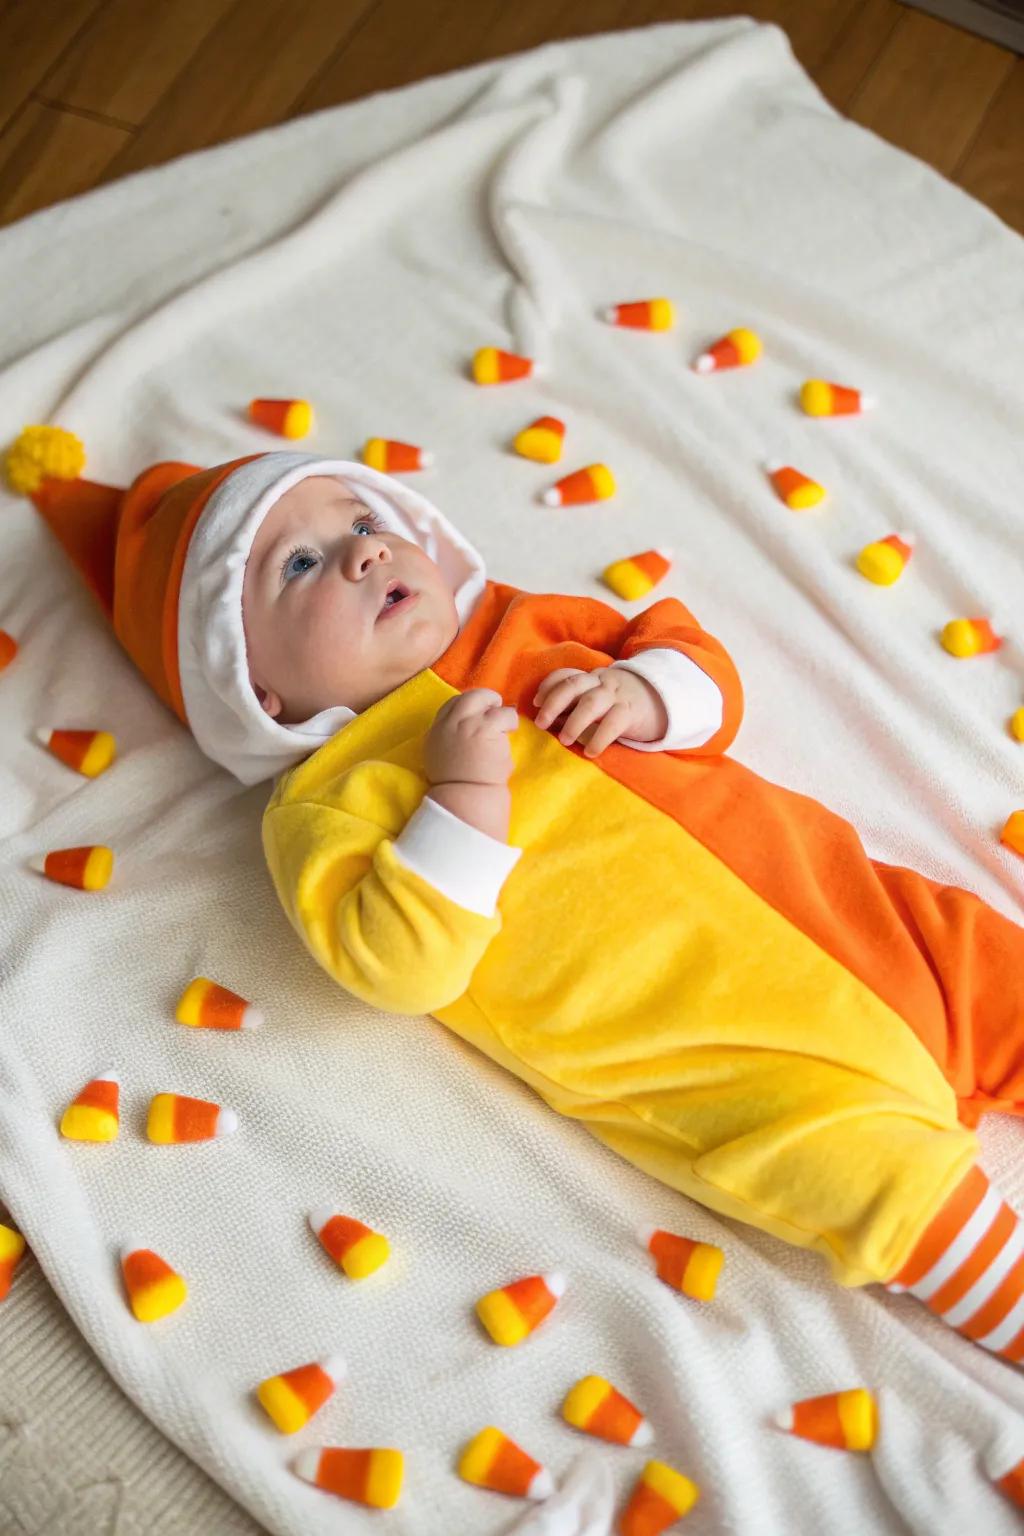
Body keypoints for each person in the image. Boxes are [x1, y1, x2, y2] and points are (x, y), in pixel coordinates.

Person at [12, 425, 1024, 1367]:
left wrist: (650, 695)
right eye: (300, 565)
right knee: (882, 1190)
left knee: (1001, 975)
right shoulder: (327, 803)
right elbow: (399, 967)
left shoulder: (520, 625)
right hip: (724, 1057)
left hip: (860, 913)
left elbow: (693, 663)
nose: (363, 551)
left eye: (360, 521)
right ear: (254, 689)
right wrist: (461, 800)